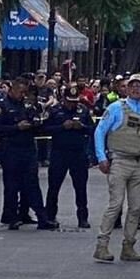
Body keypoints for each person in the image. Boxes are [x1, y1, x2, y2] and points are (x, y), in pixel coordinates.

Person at [93, 74, 140, 262]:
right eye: (131, 85)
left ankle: (129, 246)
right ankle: (102, 244)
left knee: (135, 207)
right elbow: (100, 131)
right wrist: (101, 156)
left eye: (139, 86)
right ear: (126, 88)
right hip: (119, 161)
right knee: (115, 204)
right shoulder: (116, 107)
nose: (135, 89)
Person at [0, 77, 57, 230]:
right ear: (12, 90)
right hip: (10, 150)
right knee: (12, 185)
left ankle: (42, 217)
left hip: (28, 149)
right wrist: (16, 127)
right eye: (20, 92)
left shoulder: (27, 105)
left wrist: (36, 123)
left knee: (32, 184)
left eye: (24, 92)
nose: (22, 95)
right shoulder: (2, 106)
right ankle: (11, 217)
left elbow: (37, 124)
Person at [43, 84, 94, 228]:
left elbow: (92, 129)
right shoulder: (55, 110)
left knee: (81, 187)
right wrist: (61, 127)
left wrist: (82, 127)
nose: (72, 104)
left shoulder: (83, 110)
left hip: (78, 153)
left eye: (75, 101)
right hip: (59, 152)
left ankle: (82, 217)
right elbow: (44, 129)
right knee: (54, 185)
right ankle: (50, 215)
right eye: (69, 101)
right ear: (64, 99)